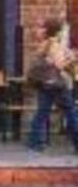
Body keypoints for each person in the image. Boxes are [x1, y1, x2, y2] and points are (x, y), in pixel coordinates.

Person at [26, 19, 77, 153]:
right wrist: (71, 58)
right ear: (58, 31)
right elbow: (59, 65)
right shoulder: (55, 44)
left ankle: (35, 143)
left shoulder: (44, 44)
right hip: (57, 84)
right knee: (71, 112)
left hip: (45, 83)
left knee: (42, 112)